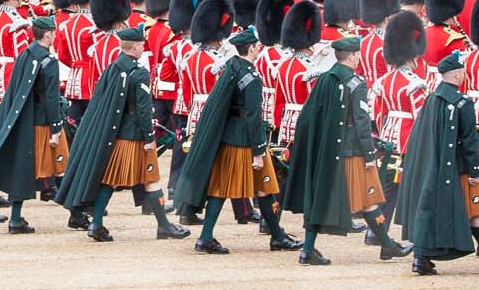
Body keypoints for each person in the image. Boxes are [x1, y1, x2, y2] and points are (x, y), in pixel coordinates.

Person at [56, 23, 190, 242]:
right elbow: (144, 109)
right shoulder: (139, 73)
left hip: (118, 133)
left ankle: (98, 224)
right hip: (135, 136)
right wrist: (149, 137)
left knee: (111, 179)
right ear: (135, 46)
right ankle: (162, 227)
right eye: (141, 45)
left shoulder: (114, 67)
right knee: (151, 178)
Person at [173, 25, 295, 254]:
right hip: (244, 141)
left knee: (261, 187)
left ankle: (277, 236)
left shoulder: (233, 67)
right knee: (233, 188)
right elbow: (252, 115)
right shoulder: (251, 76)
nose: (260, 49)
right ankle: (207, 237)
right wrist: (259, 150)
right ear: (250, 49)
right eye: (257, 46)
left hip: (231, 135)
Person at [283, 33, 403, 264]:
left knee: (326, 198)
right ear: (352, 56)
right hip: (352, 151)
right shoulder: (356, 83)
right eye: (357, 55)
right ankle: (386, 244)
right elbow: (361, 121)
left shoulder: (326, 79)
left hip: (327, 149)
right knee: (369, 198)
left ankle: (386, 245)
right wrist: (370, 153)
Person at [396, 51, 479, 275]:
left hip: (431, 167)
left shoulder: (432, 99)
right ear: (456, 75)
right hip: (457, 168)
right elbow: (470, 140)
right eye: (462, 72)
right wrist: (475, 169)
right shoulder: (462, 103)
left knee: (433, 210)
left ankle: (421, 258)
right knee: (476, 208)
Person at [0, 13, 70, 235]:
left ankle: (16, 218)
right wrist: (56, 128)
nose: (55, 36)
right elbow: (51, 98)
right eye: (53, 32)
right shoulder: (49, 61)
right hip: (45, 124)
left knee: (23, 171)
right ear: (47, 35)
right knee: (64, 168)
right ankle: (79, 215)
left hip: (26, 122)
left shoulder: (24, 56)